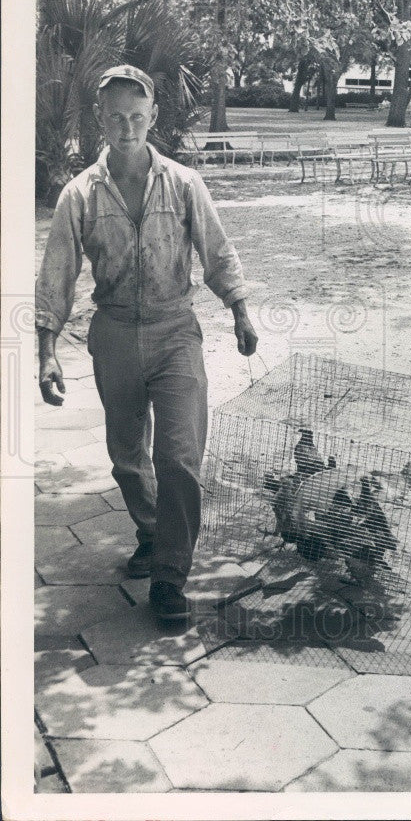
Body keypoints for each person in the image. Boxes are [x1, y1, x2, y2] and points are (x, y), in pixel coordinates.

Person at [36, 65, 259, 623]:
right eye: (116, 118)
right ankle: (153, 532)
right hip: (112, 334)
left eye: (138, 118)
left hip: (174, 331)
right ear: (100, 120)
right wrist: (46, 352)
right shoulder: (78, 194)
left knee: (180, 456)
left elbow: (217, 251)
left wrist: (241, 312)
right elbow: (57, 275)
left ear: (153, 118)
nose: (128, 129)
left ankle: (169, 576)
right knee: (128, 457)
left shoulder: (184, 184)